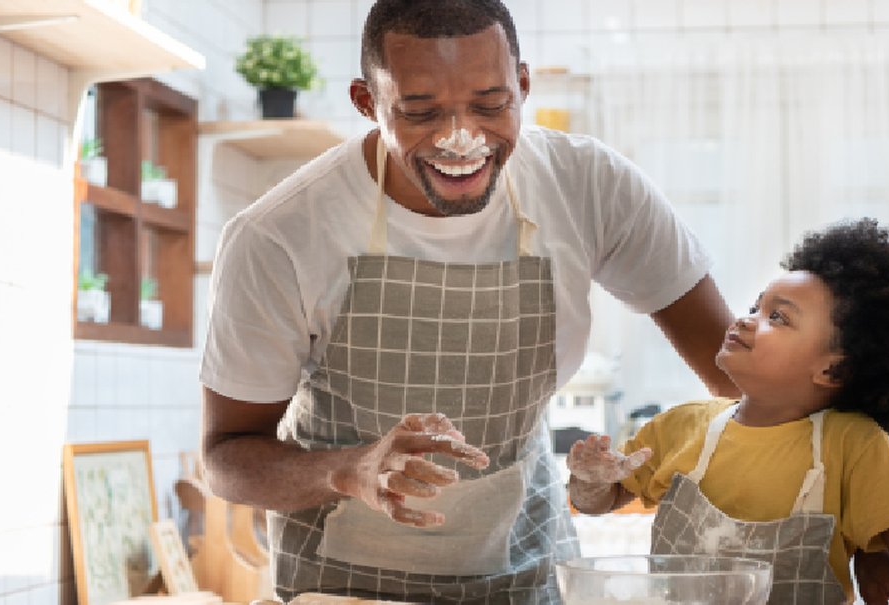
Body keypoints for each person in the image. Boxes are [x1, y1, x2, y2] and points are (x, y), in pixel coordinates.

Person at [198, 0, 740, 602]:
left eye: (491, 105)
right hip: (344, 584)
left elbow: (737, 375)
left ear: (523, 86)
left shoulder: (589, 187)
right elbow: (227, 458)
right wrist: (348, 470)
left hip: (526, 572)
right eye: (421, 111)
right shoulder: (279, 235)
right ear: (366, 103)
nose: (463, 138)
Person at [568, 218, 889, 605]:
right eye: (756, 307)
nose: (746, 319)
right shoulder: (682, 426)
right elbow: (601, 500)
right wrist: (589, 481)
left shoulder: (850, 444)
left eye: (777, 317)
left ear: (832, 369)